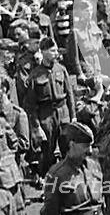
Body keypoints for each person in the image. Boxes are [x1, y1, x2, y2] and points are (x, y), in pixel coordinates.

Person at [23, 37, 75, 175]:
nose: (56, 53)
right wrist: (36, 127)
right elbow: (31, 105)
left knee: (67, 146)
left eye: (57, 50)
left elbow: (70, 95)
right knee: (47, 151)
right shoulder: (35, 75)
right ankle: (46, 178)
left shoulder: (61, 69)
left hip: (63, 112)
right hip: (46, 115)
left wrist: (73, 116)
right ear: (44, 52)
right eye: (52, 51)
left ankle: (68, 176)